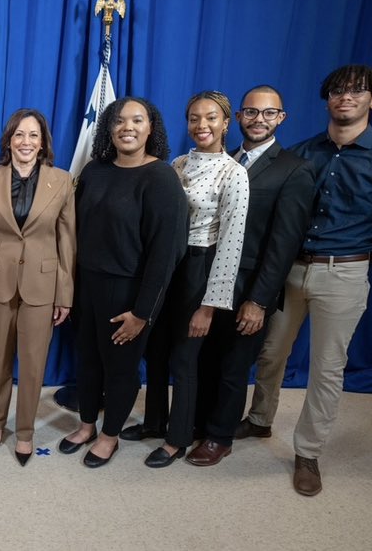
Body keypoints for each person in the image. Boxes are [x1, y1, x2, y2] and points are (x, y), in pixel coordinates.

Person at [237, 65, 372, 495]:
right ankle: (260, 420)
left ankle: (308, 452)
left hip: (345, 271)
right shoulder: (301, 154)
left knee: (326, 369)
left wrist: (354, 263)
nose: (346, 98)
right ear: (326, 100)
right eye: (337, 91)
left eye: (357, 91)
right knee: (270, 352)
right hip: (291, 269)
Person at [188, 86, 315, 467]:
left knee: (233, 363)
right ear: (238, 118)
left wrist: (259, 300)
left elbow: (283, 244)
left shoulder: (293, 169)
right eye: (251, 112)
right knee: (205, 358)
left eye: (268, 113)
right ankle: (199, 424)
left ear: (281, 118)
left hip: (249, 285)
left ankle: (219, 437)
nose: (259, 119)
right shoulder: (225, 160)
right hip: (210, 277)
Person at [122, 91, 249, 468]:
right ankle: (155, 422)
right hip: (168, 263)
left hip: (201, 266)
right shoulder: (176, 164)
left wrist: (209, 306)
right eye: (194, 118)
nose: (201, 125)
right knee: (155, 350)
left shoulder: (234, 173)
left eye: (210, 118)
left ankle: (179, 438)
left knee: (184, 357)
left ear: (226, 123)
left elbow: (231, 244)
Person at [59, 97, 188, 468]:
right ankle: (86, 425)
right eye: (119, 120)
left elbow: (166, 253)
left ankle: (109, 435)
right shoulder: (95, 171)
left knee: (119, 367)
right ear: (109, 129)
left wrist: (143, 312)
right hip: (87, 285)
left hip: (129, 291)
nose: (127, 127)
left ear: (151, 128)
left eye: (137, 120)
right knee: (86, 361)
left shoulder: (161, 177)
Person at [0, 109, 75, 466]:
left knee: (32, 364)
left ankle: (24, 431)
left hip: (42, 287)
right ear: (8, 140)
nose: (25, 142)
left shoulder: (62, 180)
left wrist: (65, 295)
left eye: (33, 135)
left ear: (43, 143)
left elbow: (67, 242)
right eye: (19, 135)